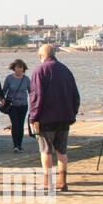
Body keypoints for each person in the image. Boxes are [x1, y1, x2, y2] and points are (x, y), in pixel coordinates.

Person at [28, 43, 81, 193]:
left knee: (45, 150)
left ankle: (48, 183)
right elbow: (75, 96)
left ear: (40, 56)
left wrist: (33, 117)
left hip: (46, 118)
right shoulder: (66, 70)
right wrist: (72, 113)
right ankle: (63, 181)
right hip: (64, 117)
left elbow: (36, 97)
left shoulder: (40, 71)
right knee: (62, 150)